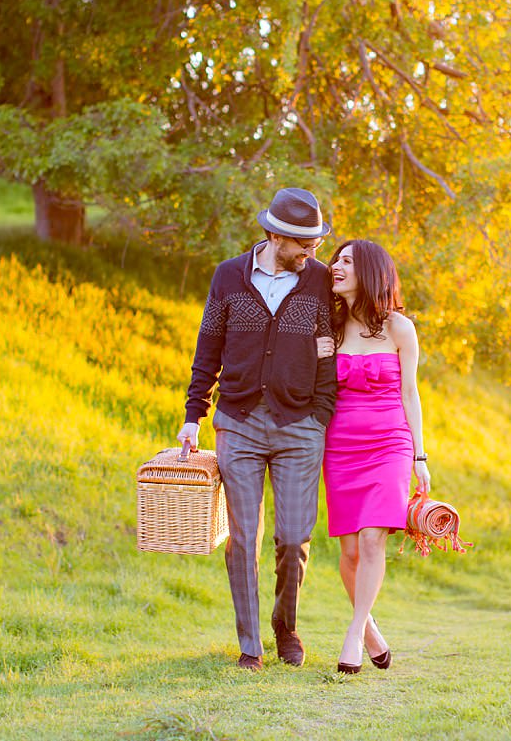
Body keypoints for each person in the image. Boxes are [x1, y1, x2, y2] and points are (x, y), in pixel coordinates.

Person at [177, 187, 337, 671]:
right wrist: (192, 416)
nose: (311, 253)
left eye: (314, 244)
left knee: (293, 536)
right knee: (243, 539)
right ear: (274, 234)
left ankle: (285, 625)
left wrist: (321, 414)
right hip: (239, 423)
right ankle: (251, 646)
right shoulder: (229, 276)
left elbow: (328, 348)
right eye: (302, 245)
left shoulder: (320, 281)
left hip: (300, 426)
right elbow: (208, 348)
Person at [321, 239, 432, 674]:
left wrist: (420, 456)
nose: (336, 266)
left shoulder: (400, 328)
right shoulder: (330, 327)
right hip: (341, 445)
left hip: (390, 443)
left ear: (369, 272)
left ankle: (351, 635)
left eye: (347, 261)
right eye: (336, 260)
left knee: (372, 539)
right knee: (349, 551)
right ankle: (369, 630)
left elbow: (410, 393)